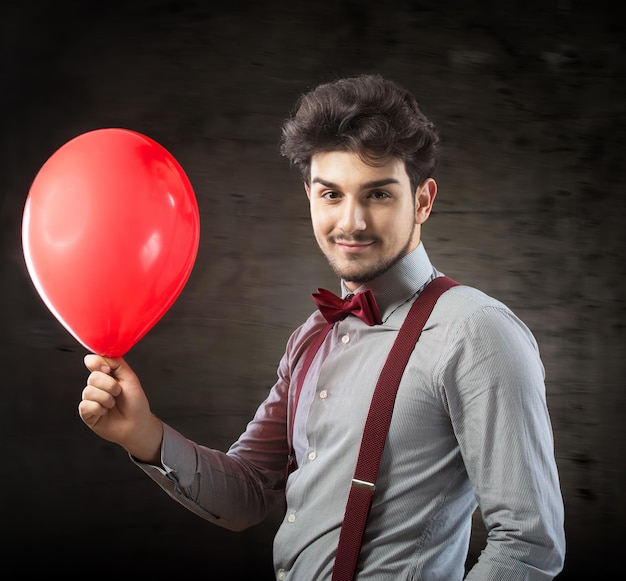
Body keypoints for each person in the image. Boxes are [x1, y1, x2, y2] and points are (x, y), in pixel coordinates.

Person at [79, 74, 566, 580]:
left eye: (377, 195)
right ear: (310, 196)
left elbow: (528, 545)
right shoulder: (312, 336)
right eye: (331, 194)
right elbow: (248, 492)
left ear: (422, 201)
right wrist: (144, 435)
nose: (350, 222)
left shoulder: (476, 331)